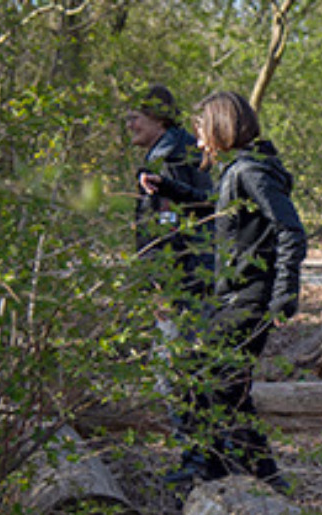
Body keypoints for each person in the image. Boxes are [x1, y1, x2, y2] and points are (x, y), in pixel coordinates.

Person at [144, 91, 307, 489]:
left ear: (220, 129)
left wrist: (284, 293)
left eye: (202, 133)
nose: (199, 143)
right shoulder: (239, 171)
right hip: (233, 297)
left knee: (202, 379)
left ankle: (228, 474)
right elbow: (216, 204)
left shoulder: (251, 171)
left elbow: (291, 229)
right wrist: (171, 188)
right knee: (227, 389)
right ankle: (251, 478)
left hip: (249, 299)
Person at [126, 83, 216, 485]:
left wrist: (166, 282)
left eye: (136, 117)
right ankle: (202, 455)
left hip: (184, 283)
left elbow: (178, 221)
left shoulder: (172, 156)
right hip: (183, 280)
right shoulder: (170, 151)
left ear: (159, 119)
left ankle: (199, 459)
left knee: (175, 369)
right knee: (181, 367)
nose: (129, 124)